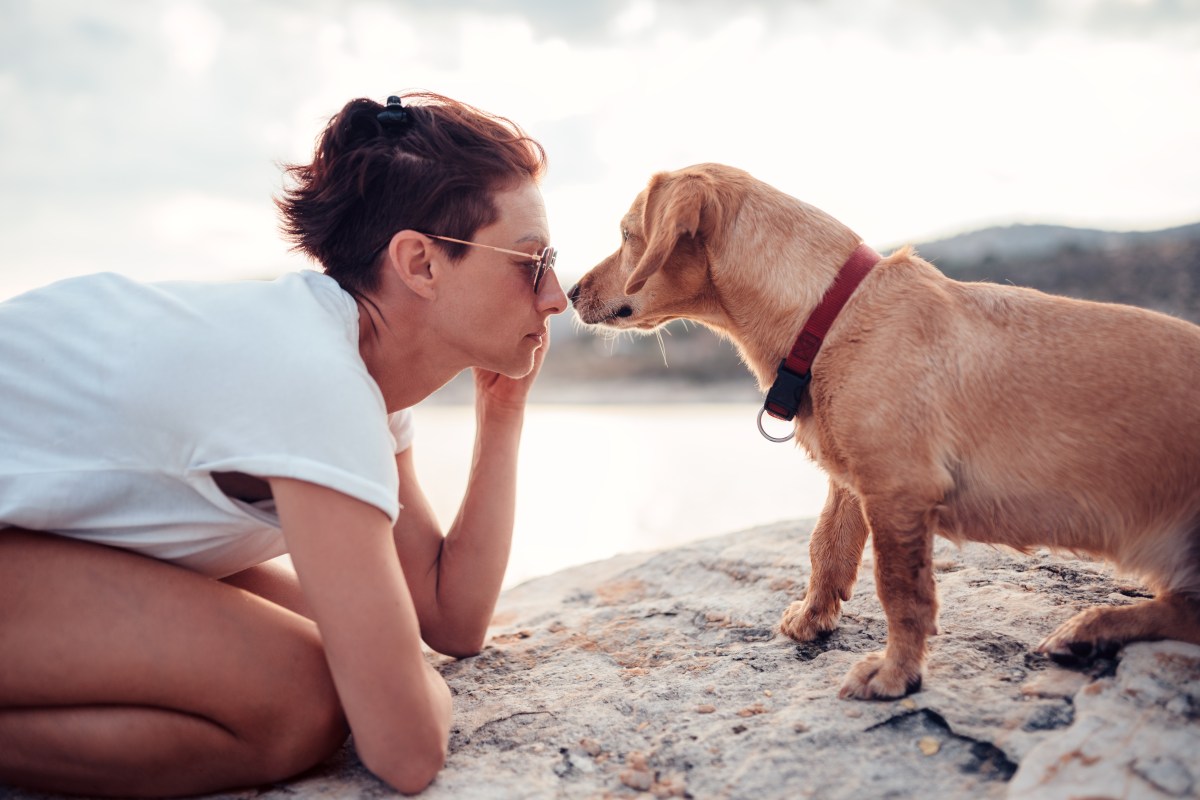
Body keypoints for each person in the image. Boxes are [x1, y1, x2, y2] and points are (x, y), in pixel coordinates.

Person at [0, 91, 566, 797]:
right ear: (420, 264)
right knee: (300, 700)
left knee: (324, 657)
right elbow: (407, 751)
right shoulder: (312, 379)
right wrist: (408, 683)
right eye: (529, 260)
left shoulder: (348, 373)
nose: (556, 296)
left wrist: (503, 410)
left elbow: (449, 616)